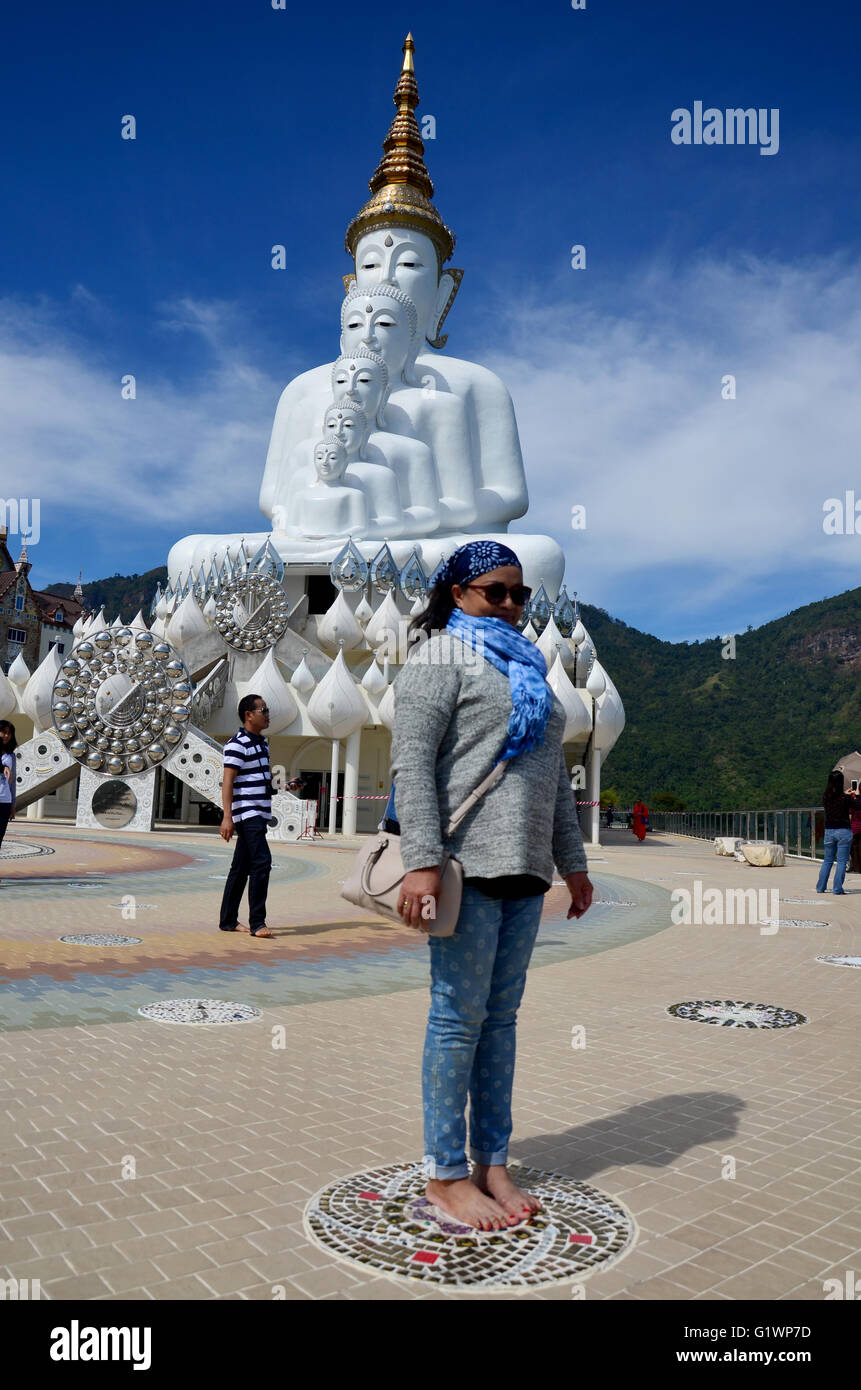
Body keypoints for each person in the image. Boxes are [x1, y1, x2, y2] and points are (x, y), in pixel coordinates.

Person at [390, 540, 593, 1232]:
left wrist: (573, 862)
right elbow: (411, 765)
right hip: (462, 867)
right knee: (456, 1020)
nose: (509, 604)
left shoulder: (529, 665)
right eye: (493, 591)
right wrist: (420, 859)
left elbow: (551, 783)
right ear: (457, 593)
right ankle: (446, 1174)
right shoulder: (438, 657)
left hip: (525, 870)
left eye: (519, 594)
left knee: (499, 1023)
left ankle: (492, 1164)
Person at [218, 695, 275, 937]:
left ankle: (228, 920)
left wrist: (285, 785)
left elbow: (259, 780)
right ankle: (258, 923)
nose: (267, 713)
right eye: (263, 709)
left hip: (260, 813)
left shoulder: (262, 744)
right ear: (248, 714)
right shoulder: (237, 744)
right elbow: (228, 782)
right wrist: (227, 817)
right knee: (262, 862)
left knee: (240, 868)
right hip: (247, 813)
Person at [816, 769, 860, 895]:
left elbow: (836, 799)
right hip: (843, 831)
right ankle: (837, 888)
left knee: (827, 860)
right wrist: (857, 794)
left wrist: (846, 795)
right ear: (841, 782)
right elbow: (858, 805)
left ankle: (820, 887)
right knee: (841, 861)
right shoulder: (845, 798)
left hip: (829, 831)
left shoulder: (825, 797)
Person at [0, 720, 17, 883]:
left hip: (4, 802)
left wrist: (13, 804)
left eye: (8, 733)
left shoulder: (11, 755)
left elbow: (13, 782)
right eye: (3, 731)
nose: (5, 735)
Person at [850, 794, 861, 875]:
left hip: (855, 827)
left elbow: (850, 815)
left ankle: (856, 867)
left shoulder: (854, 802)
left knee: (854, 848)